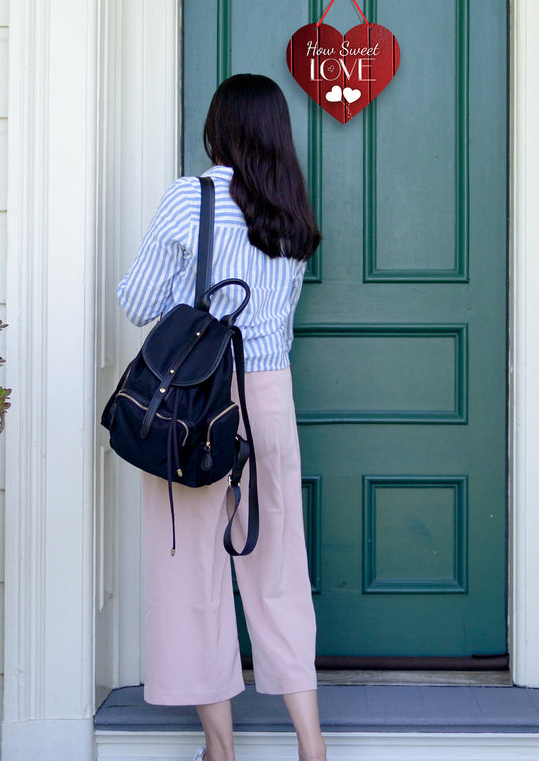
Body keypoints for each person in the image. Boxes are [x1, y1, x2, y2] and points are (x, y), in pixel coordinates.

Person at [117, 74, 325, 761]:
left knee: (188, 571)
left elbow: (138, 302)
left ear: (219, 127)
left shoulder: (192, 197)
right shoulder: (290, 211)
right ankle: (311, 743)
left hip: (195, 402)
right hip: (268, 393)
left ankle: (221, 749)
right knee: (278, 565)